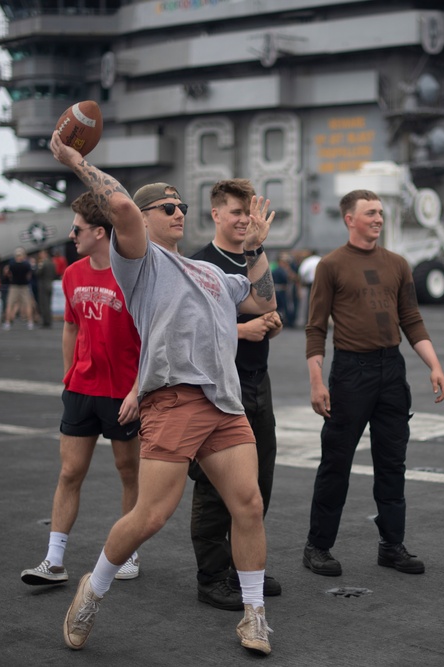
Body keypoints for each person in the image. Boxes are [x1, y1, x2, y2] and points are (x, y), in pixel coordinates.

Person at [49, 130, 277, 656]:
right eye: (167, 206)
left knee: (248, 503)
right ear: (146, 219)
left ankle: (254, 616)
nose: (179, 212)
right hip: (173, 400)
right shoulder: (141, 264)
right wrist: (76, 160)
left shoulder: (210, 272)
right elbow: (123, 209)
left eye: (182, 207)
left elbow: (262, 300)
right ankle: (94, 588)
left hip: (225, 403)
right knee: (151, 516)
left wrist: (255, 245)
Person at [303, 189, 444, 578]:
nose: (379, 218)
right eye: (370, 213)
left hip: (391, 371)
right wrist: (317, 381)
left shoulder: (398, 264)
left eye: (380, 212)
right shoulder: (331, 266)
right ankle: (317, 547)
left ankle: (391, 545)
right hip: (351, 373)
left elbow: (411, 320)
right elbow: (316, 328)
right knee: (336, 462)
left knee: (392, 463)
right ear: (350, 219)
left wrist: (433, 365)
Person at [21, 192, 144, 589]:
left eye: (77, 229)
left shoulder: (134, 276)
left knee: (128, 472)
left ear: (99, 232)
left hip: (123, 393)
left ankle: (128, 553)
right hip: (81, 389)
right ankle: (54, 560)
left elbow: (155, 337)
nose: (71, 235)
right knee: (70, 472)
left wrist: (138, 391)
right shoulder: (72, 274)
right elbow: (71, 325)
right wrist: (68, 374)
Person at [189, 179, 284, 611]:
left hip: (255, 384)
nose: (245, 220)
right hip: (216, 388)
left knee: (258, 484)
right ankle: (212, 577)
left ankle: (244, 568)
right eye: (236, 213)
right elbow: (189, 330)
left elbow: (267, 304)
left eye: (250, 213)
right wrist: (241, 330)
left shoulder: (253, 257)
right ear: (216, 214)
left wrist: (268, 321)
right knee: (214, 488)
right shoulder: (198, 264)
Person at [4, 248, 36, 330]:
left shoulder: (12, 264)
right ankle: (30, 322)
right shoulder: (26, 264)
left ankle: (7, 322)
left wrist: (11, 278)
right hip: (24, 286)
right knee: (28, 304)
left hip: (14, 285)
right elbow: (29, 274)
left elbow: (7, 273)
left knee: (10, 304)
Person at [35, 248, 57, 328]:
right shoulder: (52, 263)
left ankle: (45, 322)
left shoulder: (43, 263)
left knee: (44, 304)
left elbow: (38, 273)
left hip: (43, 285)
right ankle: (48, 320)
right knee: (48, 303)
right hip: (50, 284)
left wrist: (38, 266)